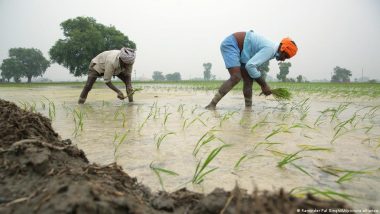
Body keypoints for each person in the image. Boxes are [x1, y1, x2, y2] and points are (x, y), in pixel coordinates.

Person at [205, 30, 298, 109]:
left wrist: (262, 83)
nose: (283, 59)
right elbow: (250, 66)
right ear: (282, 48)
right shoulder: (270, 49)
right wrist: (264, 85)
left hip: (245, 52)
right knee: (236, 77)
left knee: (249, 80)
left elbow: (251, 65)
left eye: (287, 58)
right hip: (232, 44)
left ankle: (248, 109)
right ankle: (212, 105)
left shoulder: (272, 50)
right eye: (285, 56)